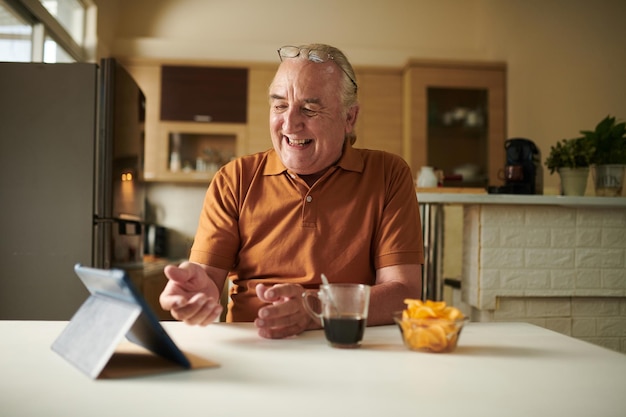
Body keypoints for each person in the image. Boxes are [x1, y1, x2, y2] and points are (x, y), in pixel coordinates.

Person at [160, 43, 424, 339]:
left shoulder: (388, 174)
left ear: (349, 118)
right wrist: (198, 292)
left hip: (344, 345)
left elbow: (404, 293)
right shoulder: (234, 179)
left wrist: (315, 307)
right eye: (280, 105)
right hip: (254, 344)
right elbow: (207, 277)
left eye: (309, 109)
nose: (289, 123)